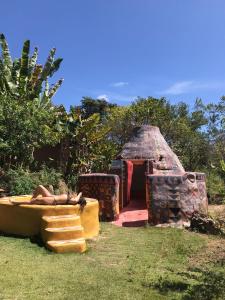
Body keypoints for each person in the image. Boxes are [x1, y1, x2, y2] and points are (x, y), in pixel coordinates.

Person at [10, 185, 85, 206]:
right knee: (40, 187)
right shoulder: (72, 198)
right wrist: (79, 194)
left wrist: (80, 194)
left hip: (53, 201)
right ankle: (31, 201)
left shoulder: (74, 201)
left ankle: (16, 203)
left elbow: (76, 199)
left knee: (35, 201)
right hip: (52, 196)